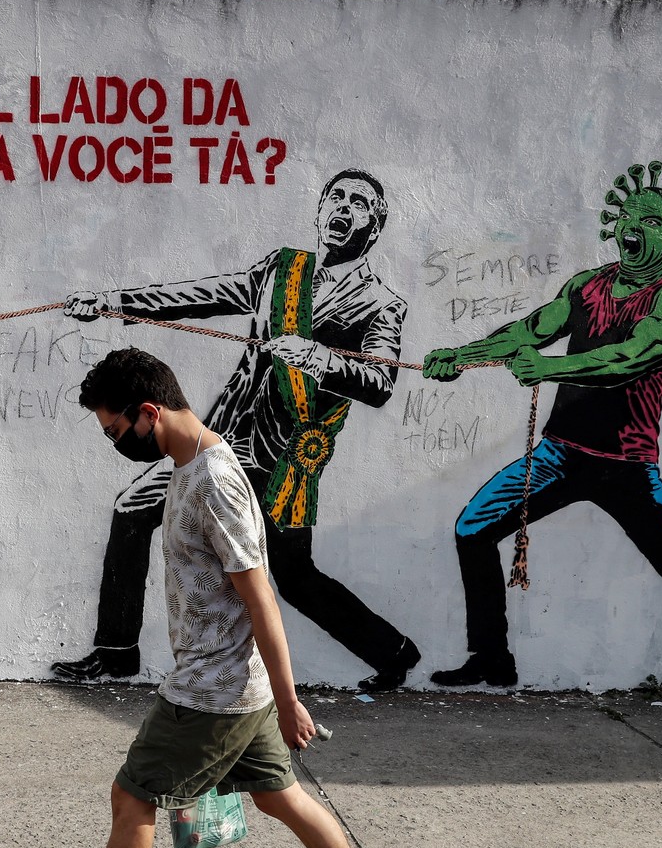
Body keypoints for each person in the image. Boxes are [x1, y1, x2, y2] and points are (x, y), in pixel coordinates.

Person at [16, 348, 416, 848]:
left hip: (213, 690)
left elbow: (263, 598)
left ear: (149, 412)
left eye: (117, 431)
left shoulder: (215, 484)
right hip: (234, 682)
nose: (115, 443)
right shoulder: (188, 463)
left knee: (132, 797)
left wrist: (289, 703)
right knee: (279, 797)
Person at [422, 162, 662, 697]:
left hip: (627, 466)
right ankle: (491, 657)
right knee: (472, 528)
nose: (633, 227)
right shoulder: (587, 285)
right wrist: (462, 355)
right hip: (559, 456)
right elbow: (531, 330)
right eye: (626, 216)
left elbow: (629, 359)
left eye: (650, 220)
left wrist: (548, 368)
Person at [55, 170, 418, 692]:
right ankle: (115, 652)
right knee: (133, 510)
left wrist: (318, 357)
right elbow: (205, 295)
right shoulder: (282, 270)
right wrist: (114, 303)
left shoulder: (383, 305)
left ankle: (395, 651)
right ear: (319, 211)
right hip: (224, 441)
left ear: (375, 225)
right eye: (335, 197)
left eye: (359, 204)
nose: (343, 209)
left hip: (286, 459)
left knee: (295, 578)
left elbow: (380, 380)